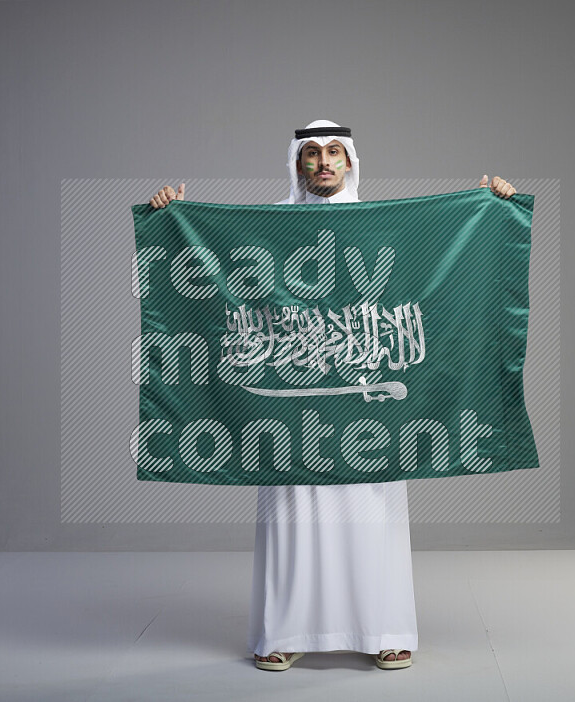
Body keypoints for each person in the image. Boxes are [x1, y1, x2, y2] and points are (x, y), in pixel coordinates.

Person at [149, 120, 517, 671]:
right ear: (297, 162)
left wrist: (491, 208)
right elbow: (215, 269)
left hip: (369, 404)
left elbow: (439, 263)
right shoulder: (268, 226)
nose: (323, 162)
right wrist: (172, 218)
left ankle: (386, 631)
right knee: (293, 517)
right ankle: (285, 631)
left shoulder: (382, 228)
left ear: (350, 161)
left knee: (373, 514)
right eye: (312, 154)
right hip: (294, 399)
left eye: (334, 153)